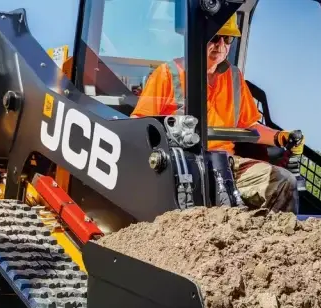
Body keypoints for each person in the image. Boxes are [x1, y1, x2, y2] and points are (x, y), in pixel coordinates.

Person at [130, 14, 304, 212]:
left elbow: (250, 126)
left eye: (227, 39)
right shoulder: (167, 74)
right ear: (198, 37)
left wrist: (280, 137)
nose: (221, 46)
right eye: (215, 37)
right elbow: (139, 125)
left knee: (283, 182)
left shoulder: (235, 78)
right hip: (182, 165)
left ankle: (275, 242)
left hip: (226, 164)